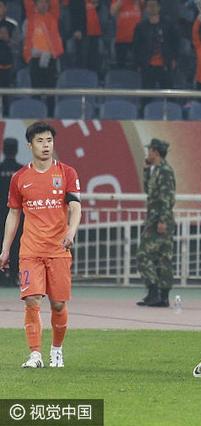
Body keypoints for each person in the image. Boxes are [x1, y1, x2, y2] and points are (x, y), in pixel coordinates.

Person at [0, 121, 82, 368]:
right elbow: (14, 214)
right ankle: (35, 354)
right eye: (40, 141)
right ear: (30, 145)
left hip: (58, 249)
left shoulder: (67, 173)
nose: (46, 146)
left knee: (58, 304)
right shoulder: (19, 178)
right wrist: (5, 250)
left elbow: (76, 206)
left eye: (49, 141)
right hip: (31, 250)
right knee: (32, 300)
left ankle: (56, 350)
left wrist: (71, 231)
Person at [136, 139, 176, 307]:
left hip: (160, 219)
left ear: (156, 152)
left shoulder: (165, 171)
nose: (148, 153)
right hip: (153, 219)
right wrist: (146, 171)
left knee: (151, 255)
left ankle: (159, 293)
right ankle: (156, 294)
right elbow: (148, 191)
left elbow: (167, 198)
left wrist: (162, 220)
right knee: (159, 257)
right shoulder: (155, 170)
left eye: (150, 150)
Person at [132, 0, 179, 90]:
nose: (152, 8)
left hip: (165, 65)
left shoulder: (169, 25)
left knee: (169, 96)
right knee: (146, 97)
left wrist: (174, 58)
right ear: (146, 8)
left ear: (159, 7)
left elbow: (176, 42)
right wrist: (138, 63)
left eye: (154, 5)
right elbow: (136, 47)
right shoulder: (140, 27)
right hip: (147, 67)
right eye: (149, 6)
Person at [0, 138, 24, 287]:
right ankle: (14, 275)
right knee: (16, 245)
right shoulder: (22, 170)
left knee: (2, 244)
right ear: (16, 150)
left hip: (1, 214)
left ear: (3, 149)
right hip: (17, 214)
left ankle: (1, 277)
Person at [69, 0, 102, 73]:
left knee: (93, 60)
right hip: (82, 32)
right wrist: (76, 29)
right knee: (82, 60)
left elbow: (97, 8)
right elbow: (72, 13)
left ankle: (93, 79)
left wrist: (97, 4)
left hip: (95, 31)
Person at [110, 0, 143, 68]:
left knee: (138, 66)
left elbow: (145, 6)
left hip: (137, 39)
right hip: (122, 39)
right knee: (120, 68)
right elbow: (112, 12)